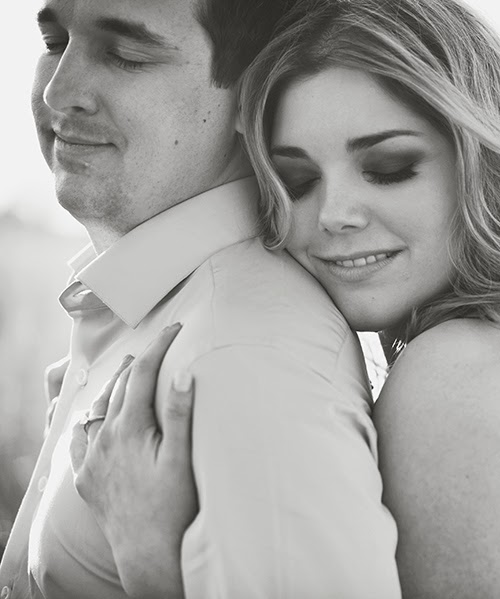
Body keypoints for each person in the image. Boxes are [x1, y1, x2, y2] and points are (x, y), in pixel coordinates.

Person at [74, 0, 500, 597]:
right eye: (297, 181)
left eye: (388, 167)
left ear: (480, 163)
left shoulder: (464, 378)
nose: (334, 214)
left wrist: (149, 558)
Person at [0, 0, 403, 597]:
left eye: (125, 54)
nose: (59, 93)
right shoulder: (163, 313)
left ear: (252, 92)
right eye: (55, 42)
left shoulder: (248, 359)